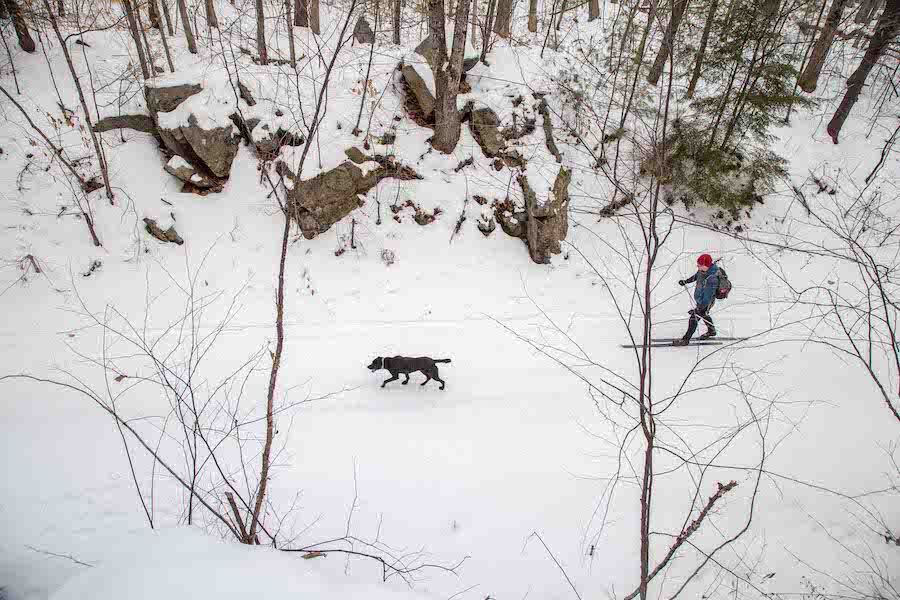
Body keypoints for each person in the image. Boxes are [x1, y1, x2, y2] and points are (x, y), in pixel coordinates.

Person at [673, 254, 718, 346]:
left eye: (700, 265)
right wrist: (686, 281)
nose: (698, 266)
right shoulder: (702, 271)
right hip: (700, 299)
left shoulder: (712, 278)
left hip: (706, 302)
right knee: (704, 314)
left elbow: (708, 296)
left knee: (694, 318)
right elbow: (695, 276)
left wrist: (700, 307)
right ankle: (711, 331)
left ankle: (685, 340)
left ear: (706, 265)